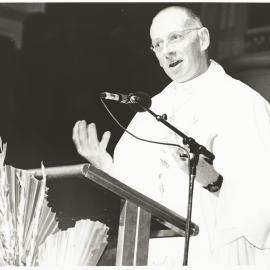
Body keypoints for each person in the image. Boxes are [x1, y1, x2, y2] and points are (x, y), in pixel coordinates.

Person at [72, 6, 270, 266]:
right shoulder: (150, 110)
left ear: (203, 39)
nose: (167, 50)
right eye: (158, 44)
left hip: (217, 255)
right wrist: (105, 166)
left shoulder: (242, 103)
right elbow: (137, 194)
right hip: (155, 255)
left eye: (175, 37)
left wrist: (212, 180)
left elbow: (261, 201)